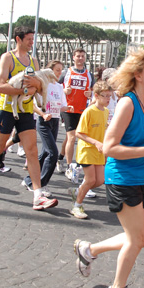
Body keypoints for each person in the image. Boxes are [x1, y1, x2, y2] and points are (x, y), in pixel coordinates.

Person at [73, 47, 144, 288]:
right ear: (138, 74)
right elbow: (108, 147)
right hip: (123, 178)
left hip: (143, 177)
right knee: (135, 238)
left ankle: (89, 249)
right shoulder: (128, 102)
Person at [0, 26, 57, 210]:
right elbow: (0, 87)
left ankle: (37, 195)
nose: (32, 42)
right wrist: (23, 90)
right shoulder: (8, 58)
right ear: (18, 39)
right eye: (29, 39)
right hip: (6, 109)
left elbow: (39, 87)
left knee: (32, 150)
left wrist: (36, 85)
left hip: (27, 110)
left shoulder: (33, 61)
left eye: (33, 39)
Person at [20, 60, 71, 197]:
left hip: (54, 121)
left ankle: (29, 180)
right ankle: (41, 185)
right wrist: (43, 113)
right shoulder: (42, 85)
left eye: (61, 70)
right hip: (43, 121)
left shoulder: (60, 87)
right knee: (53, 153)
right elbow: (33, 105)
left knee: (44, 153)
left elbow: (61, 106)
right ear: (49, 71)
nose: (59, 73)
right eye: (57, 70)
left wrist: (68, 108)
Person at [68, 81, 112, 219]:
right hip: (87, 149)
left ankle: (78, 191)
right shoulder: (89, 111)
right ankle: (77, 206)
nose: (108, 99)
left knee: (99, 180)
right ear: (97, 96)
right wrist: (96, 142)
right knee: (90, 179)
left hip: (99, 150)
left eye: (110, 96)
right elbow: (79, 133)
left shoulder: (106, 111)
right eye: (105, 96)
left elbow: (104, 127)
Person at [57, 48, 95, 177]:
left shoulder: (90, 75)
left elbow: (94, 92)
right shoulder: (66, 73)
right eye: (78, 56)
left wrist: (90, 95)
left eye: (82, 56)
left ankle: (60, 158)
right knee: (73, 136)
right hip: (68, 109)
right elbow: (55, 89)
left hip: (82, 110)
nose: (80, 58)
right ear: (73, 57)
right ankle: (70, 167)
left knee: (70, 137)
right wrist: (64, 91)